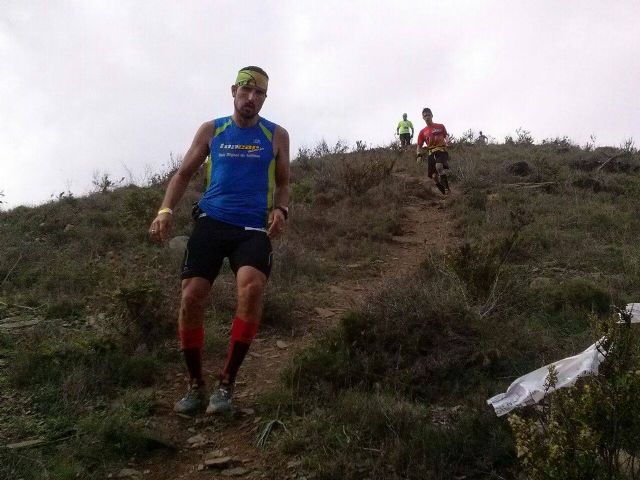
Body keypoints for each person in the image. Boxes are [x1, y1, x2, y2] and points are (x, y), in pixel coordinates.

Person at [148, 66, 290, 415]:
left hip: (251, 227)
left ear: (265, 98)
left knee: (251, 288)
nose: (251, 98)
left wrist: (281, 210)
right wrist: (165, 210)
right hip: (211, 222)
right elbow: (183, 174)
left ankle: (226, 384)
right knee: (191, 296)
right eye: (245, 90)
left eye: (259, 93)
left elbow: (284, 182)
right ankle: (196, 385)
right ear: (233, 91)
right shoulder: (213, 130)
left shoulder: (276, 135)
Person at [416, 108, 450, 195]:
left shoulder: (440, 126)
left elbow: (446, 136)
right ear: (423, 118)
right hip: (431, 153)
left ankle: (447, 189)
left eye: (428, 115)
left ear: (432, 115)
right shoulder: (422, 132)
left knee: (439, 167)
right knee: (434, 176)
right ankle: (444, 193)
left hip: (441, 150)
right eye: (425, 116)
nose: (427, 117)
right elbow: (419, 145)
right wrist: (418, 155)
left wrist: (448, 141)